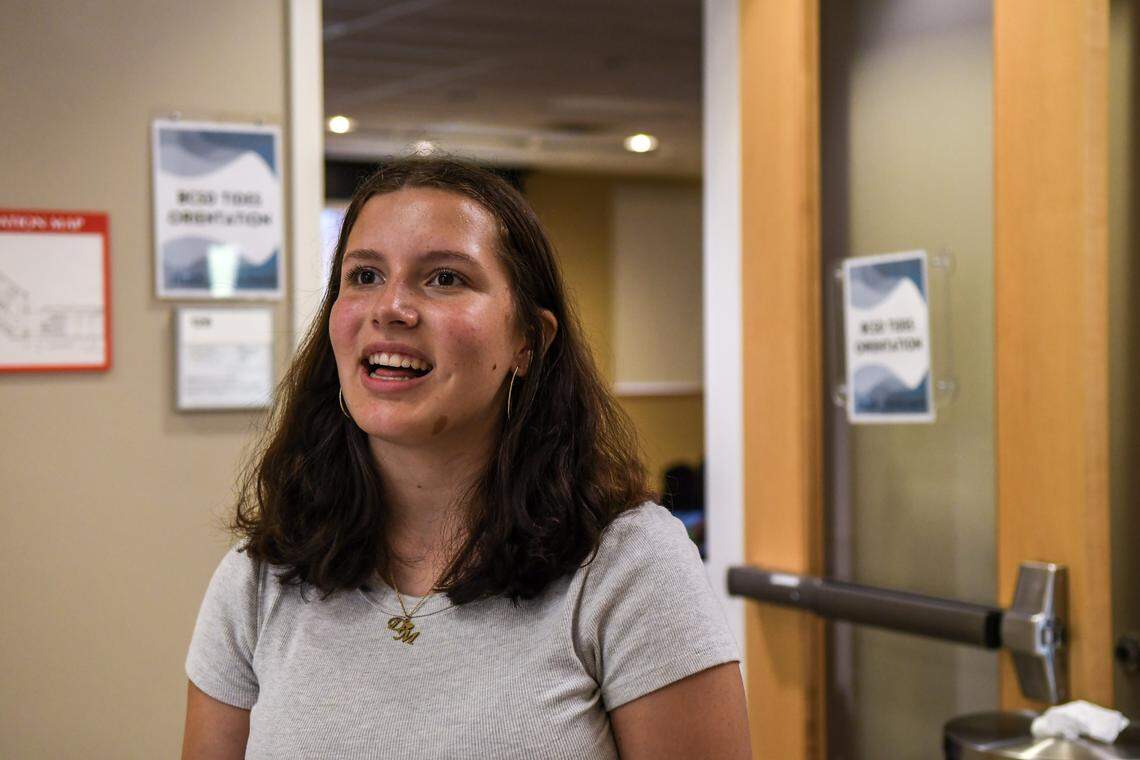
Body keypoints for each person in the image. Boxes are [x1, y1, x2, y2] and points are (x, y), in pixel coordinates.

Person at [181, 157, 750, 759]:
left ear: (530, 339)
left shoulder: (627, 566)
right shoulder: (260, 577)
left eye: (445, 278)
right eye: (365, 275)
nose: (390, 308)